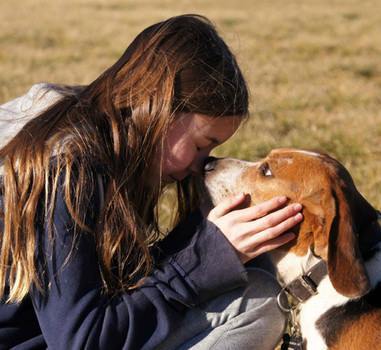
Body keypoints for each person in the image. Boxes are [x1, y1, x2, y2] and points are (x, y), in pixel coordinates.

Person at [0, 14, 303, 349]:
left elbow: (114, 289)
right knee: (257, 303)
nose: (202, 164)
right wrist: (203, 261)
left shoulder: (91, 129)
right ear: (155, 108)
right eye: (202, 145)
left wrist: (215, 244)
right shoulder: (69, 172)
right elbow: (80, 341)